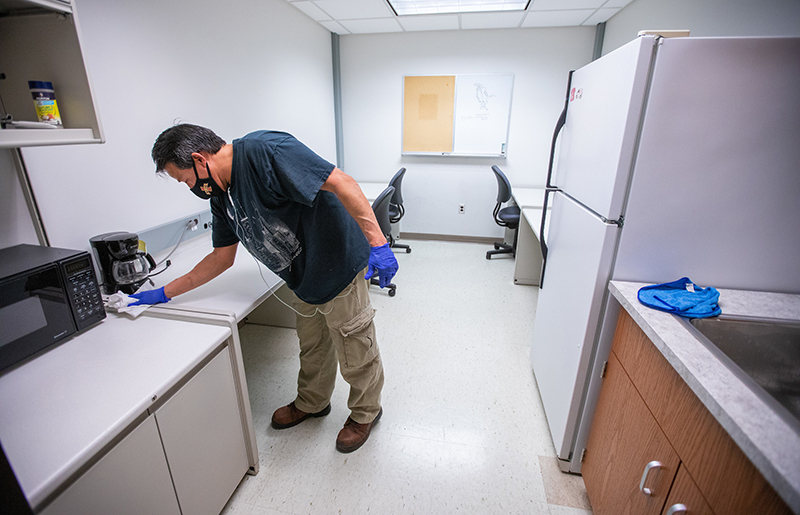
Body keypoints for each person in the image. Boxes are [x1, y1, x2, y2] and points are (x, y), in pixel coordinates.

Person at [132, 124, 397, 453]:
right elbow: (221, 257)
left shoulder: (266, 151)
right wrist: (164, 292)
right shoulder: (221, 195)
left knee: (354, 347)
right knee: (312, 346)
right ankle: (313, 402)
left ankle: (365, 412)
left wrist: (379, 244)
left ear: (200, 160)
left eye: (185, 179)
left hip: (337, 263)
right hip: (304, 278)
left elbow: (341, 182)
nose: (190, 188)